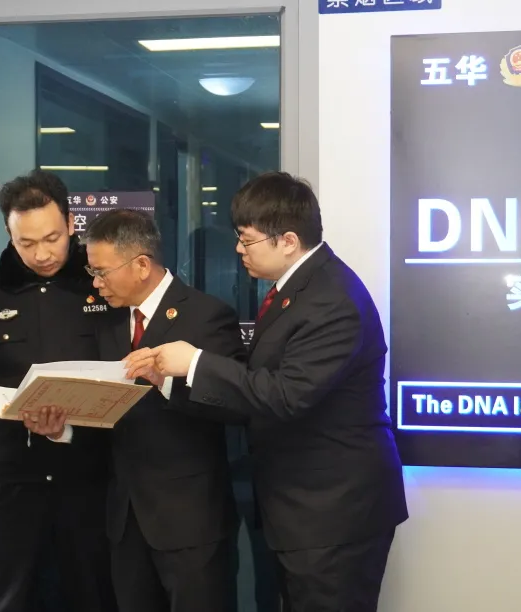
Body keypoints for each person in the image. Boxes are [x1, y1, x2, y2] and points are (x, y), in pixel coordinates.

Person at [126, 172, 409, 612]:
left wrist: (196, 362)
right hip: (300, 510)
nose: (239, 249)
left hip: (333, 513)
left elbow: (285, 395)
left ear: (288, 241)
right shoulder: (295, 290)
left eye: (247, 239)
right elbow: (255, 386)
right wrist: (169, 381)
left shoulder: (331, 300)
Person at [0, 169, 117, 612]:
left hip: (92, 480)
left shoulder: (104, 286)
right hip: (13, 481)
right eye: (26, 243)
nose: (42, 254)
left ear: (71, 224)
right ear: (9, 234)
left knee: (93, 596)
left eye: (52, 238)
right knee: (9, 597)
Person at [81, 208, 246, 612]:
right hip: (125, 519)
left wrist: (167, 381)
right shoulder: (107, 322)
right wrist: (63, 424)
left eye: (102, 272)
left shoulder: (207, 316)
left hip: (190, 520)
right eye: (91, 272)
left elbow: (235, 404)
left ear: (141, 265)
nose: (96, 283)